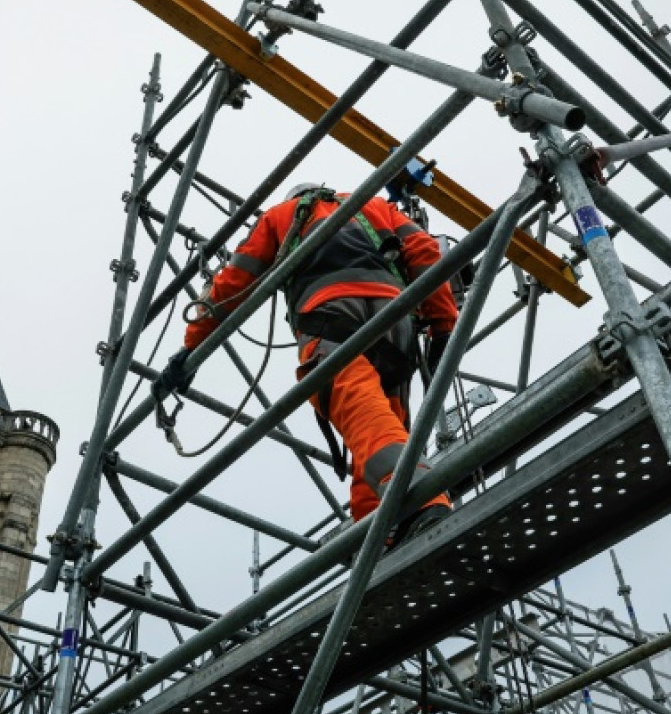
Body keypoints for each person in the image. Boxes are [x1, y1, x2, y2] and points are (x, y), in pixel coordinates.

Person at [153, 183, 459, 546]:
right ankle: (380, 535)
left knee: (359, 409)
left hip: (331, 315)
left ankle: (419, 499)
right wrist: (443, 325)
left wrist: (190, 349)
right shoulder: (375, 207)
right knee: (380, 426)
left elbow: (232, 285)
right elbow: (424, 250)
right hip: (396, 322)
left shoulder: (282, 216)